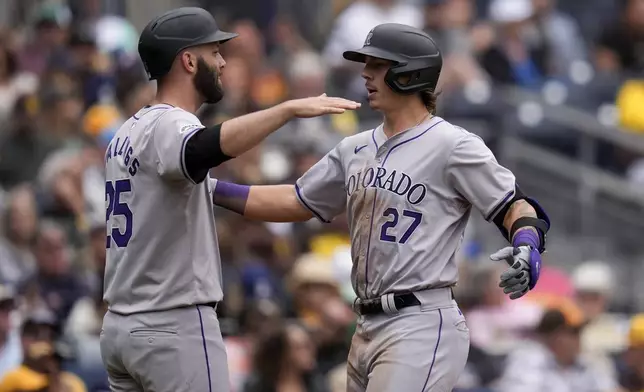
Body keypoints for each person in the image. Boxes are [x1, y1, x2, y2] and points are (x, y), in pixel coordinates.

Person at [212, 23, 551, 392]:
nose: (365, 74)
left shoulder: (452, 145)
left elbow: (513, 204)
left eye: (378, 65)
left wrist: (527, 241)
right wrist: (211, 189)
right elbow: (296, 201)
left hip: (420, 320)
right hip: (366, 323)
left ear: (410, 74)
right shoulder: (354, 147)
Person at [99, 7, 360, 392]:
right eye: (214, 52)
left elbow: (229, 193)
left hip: (123, 329)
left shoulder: (130, 130)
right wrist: (285, 110)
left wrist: (315, 196)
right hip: (171, 326)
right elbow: (204, 148)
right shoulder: (172, 124)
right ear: (188, 60)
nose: (222, 62)